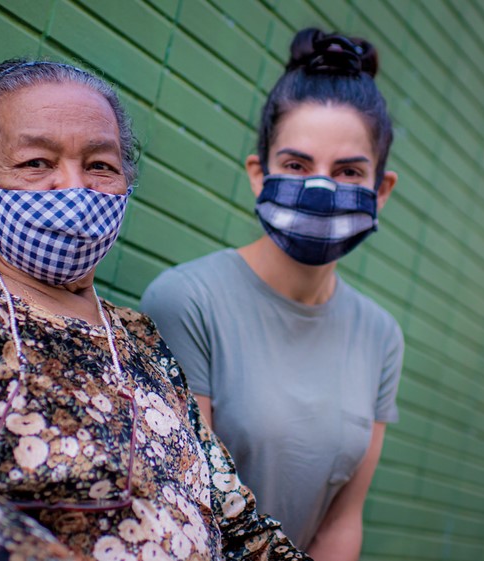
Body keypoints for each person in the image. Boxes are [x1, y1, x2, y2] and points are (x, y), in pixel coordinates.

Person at [0, 59, 310, 561]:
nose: (74, 188)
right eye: (36, 163)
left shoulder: (141, 340)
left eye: (100, 166)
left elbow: (240, 527)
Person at [142, 29, 404, 560]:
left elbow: (342, 522)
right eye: (297, 166)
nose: (322, 189)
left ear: (381, 190)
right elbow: (183, 504)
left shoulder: (382, 336)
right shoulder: (186, 300)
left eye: (349, 171)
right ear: (259, 175)